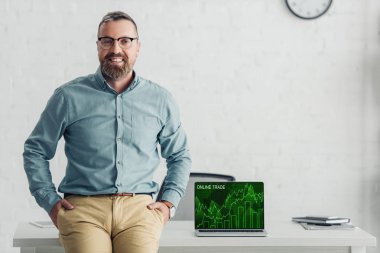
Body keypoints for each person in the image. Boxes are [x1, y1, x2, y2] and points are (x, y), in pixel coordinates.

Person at [23, 11, 191, 253]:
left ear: (138, 47)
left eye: (125, 40)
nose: (116, 49)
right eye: (107, 41)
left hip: (140, 210)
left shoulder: (160, 99)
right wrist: (50, 202)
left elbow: (179, 155)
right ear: (98, 46)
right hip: (83, 210)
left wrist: (168, 203)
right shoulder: (68, 97)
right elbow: (35, 150)